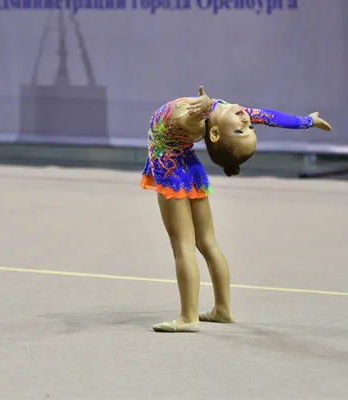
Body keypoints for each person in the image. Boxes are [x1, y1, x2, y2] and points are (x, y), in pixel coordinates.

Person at [140, 85, 332, 333]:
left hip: (171, 170)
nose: (246, 120)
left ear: (216, 133)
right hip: (189, 166)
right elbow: (268, 116)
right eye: (249, 128)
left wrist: (202, 109)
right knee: (208, 242)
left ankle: (188, 317)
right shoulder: (223, 113)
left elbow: (185, 119)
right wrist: (308, 121)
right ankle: (222, 310)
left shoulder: (198, 121)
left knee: (183, 245)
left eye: (241, 130)